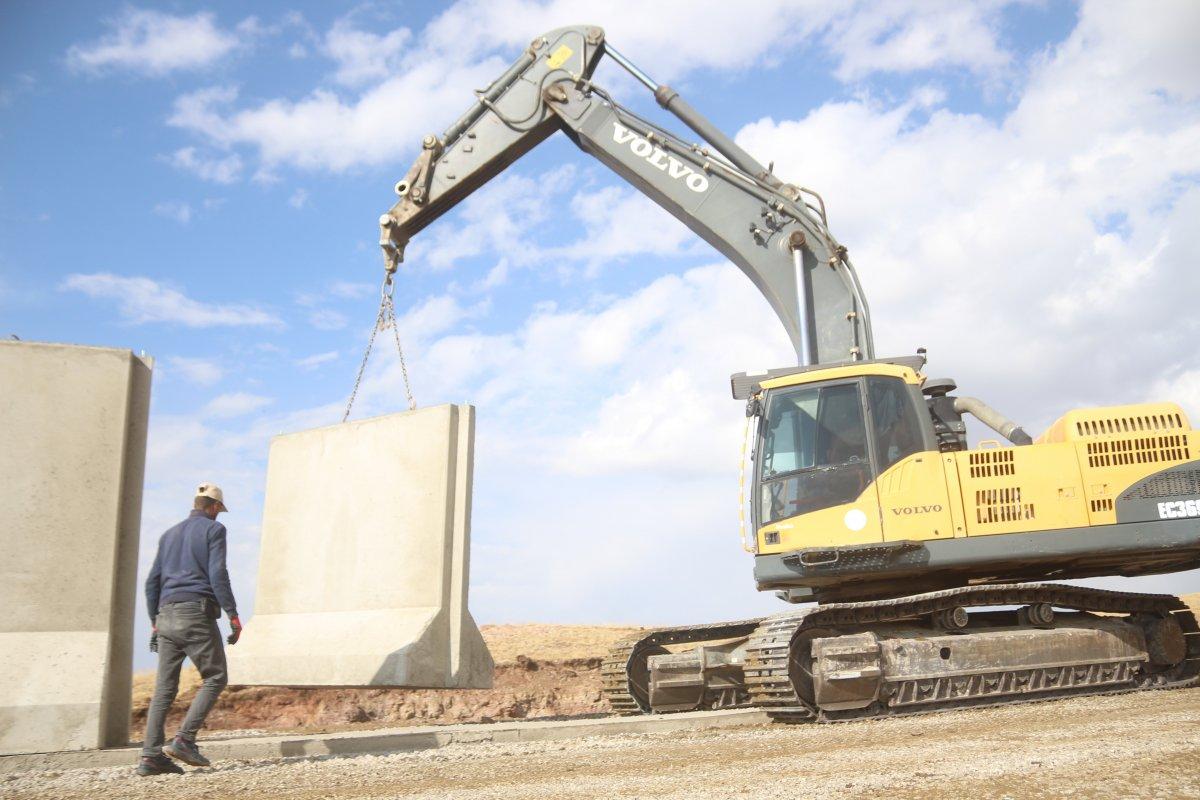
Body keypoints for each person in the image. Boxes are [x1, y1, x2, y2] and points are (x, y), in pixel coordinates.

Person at [136, 482, 242, 777]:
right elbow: (217, 573)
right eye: (220, 510)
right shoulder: (214, 530)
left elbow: (151, 583)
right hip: (195, 613)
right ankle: (184, 739)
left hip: (165, 615)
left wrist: (155, 622)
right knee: (216, 676)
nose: (220, 515)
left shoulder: (168, 535)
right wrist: (233, 614)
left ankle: (150, 757)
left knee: (164, 690)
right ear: (214, 507)